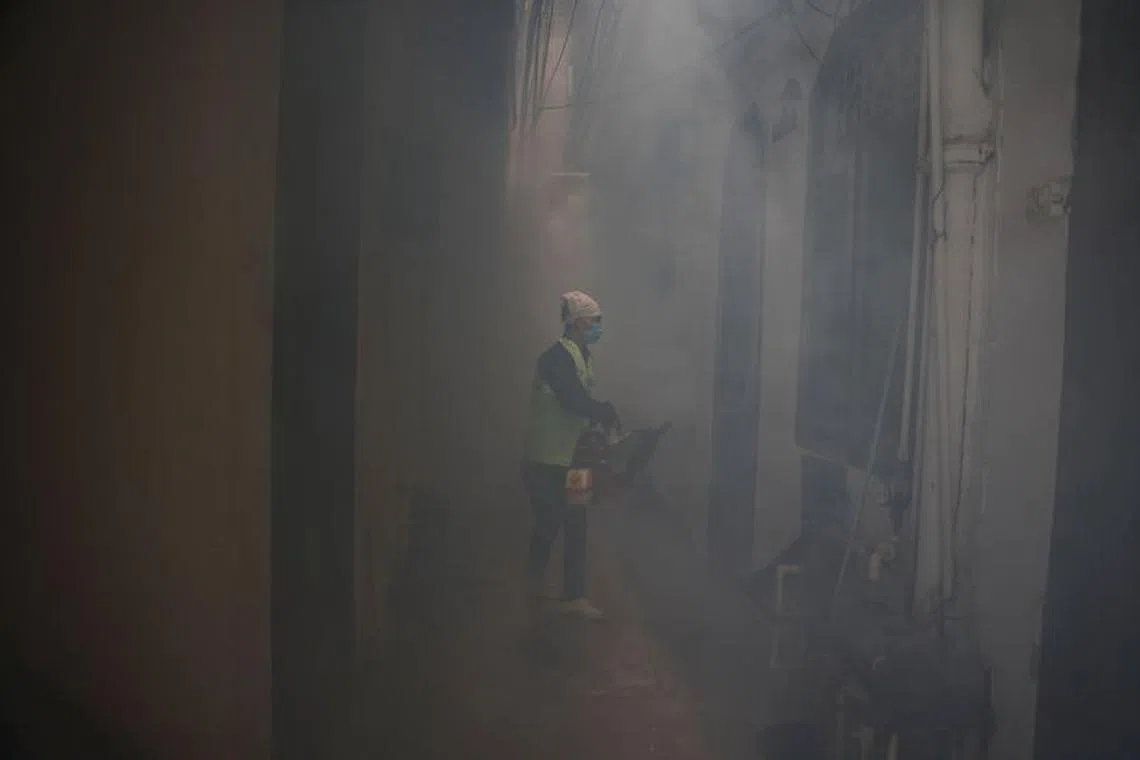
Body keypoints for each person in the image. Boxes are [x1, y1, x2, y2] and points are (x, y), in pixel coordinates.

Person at [521, 290, 619, 621]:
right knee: (548, 522)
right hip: (546, 460)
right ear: (577, 322)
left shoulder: (583, 356)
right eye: (595, 322)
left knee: (577, 522)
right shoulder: (555, 359)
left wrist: (598, 422)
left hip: (574, 459)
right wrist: (603, 411)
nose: (599, 328)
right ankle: (528, 587)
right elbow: (573, 400)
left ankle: (575, 595)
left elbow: (581, 408)